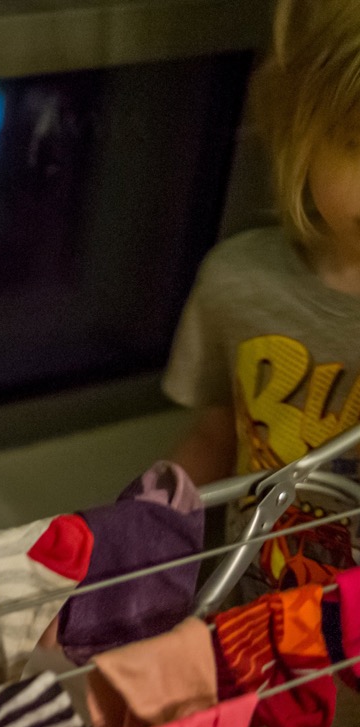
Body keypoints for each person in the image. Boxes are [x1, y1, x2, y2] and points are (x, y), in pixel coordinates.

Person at [164, 0, 360, 594]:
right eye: (358, 143)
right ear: (302, 129)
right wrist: (129, 539)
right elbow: (216, 437)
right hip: (242, 617)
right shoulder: (237, 282)